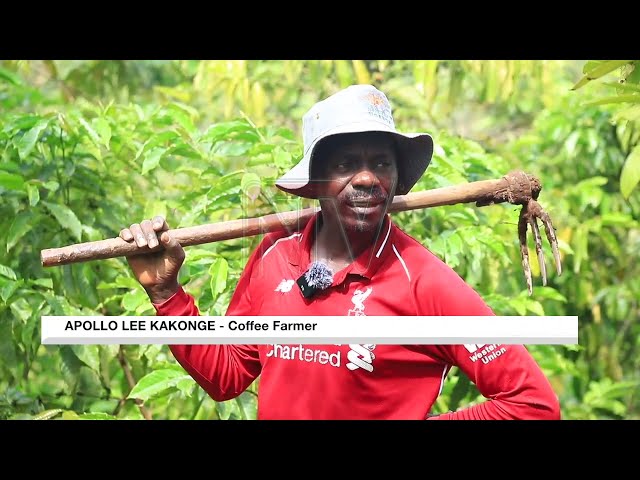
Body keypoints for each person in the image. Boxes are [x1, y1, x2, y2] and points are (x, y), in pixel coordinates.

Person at [119, 84, 561, 420]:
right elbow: (228, 373)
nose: (367, 179)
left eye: (381, 163)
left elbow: (532, 404)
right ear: (316, 182)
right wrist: (167, 294)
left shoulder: (424, 283)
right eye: (347, 164)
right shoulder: (275, 254)